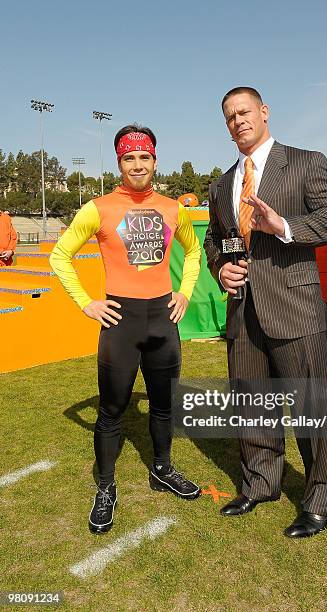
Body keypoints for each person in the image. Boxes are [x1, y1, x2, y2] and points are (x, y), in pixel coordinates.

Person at [203, 87, 327, 538]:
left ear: (264, 112)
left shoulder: (305, 162)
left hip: (294, 306)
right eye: (229, 116)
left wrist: (284, 225)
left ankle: (323, 496)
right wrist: (220, 268)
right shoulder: (221, 183)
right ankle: (261, 482)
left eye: (244, 112)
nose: (238, 121)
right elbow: (214, 239)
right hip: (243, 311)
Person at [50, 125, 202, 534]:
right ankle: (105, 487)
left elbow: (194, 252)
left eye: (144, 157)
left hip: (163, 321)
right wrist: (87, 303)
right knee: (112, 411)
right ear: (119, 162)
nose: (138, 165)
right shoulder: (98, 208)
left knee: (164, 405)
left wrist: (185, 292)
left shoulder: (174, 208)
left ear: (155, 160)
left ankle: (162, 469)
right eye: (129, 158)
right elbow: (60, 256)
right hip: (120, 322)